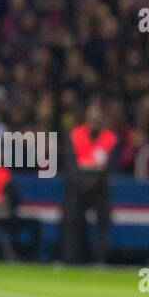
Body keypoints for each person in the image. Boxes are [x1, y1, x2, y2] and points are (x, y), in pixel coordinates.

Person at [62, 98, 117, 264]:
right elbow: (70, 163)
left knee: (104, 221)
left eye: (97, 119)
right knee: (72, 220)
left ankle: (100, 259)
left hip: (99, 185)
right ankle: (71, 259)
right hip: (78, 184)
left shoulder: (109, 137)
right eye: (91, 119)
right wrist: (81, 182)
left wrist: (94, 180)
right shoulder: (76, 134)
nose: (94, 123)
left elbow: (110, 165)